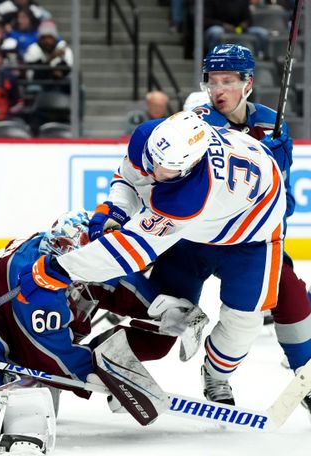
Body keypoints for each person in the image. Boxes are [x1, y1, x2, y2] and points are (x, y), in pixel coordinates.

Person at [18, 111, 288, 415]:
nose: (157, 172)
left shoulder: (191, 195)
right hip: (198, 229)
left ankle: (217, 376)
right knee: (167, 311)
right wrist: (117, 211)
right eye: (154, 160)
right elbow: (130, 178)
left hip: (250, 236)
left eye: (169, 169)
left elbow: (131, 251)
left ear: (192, 164)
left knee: (243, 323)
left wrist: (62, 269)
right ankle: (111, 362)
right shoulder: (149, 138)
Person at [0, 211, 202, 456]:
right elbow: (47, 356)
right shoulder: (35, 283)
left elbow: (118, 284)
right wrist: (99, 375)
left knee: (31, 396)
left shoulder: (80, 256)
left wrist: (161, 310)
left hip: (0, 346)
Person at [189, 43, 311, 430]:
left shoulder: (273, 123)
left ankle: (309, 378)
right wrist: (253, 152)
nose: (218, 89)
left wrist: (277, 161)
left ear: (248, 83)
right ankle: (127, 367)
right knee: (168, 303)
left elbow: (280, 196)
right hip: (198, 240)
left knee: (289, 293)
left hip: (252, 242)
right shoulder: (198, 121)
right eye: (212, 81)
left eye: (228, 81)